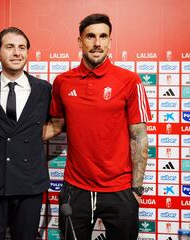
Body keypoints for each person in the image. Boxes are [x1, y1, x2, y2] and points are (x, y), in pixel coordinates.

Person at [43, 14, 151, 240]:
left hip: (120, 190)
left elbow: (139, 136)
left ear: (110, 41)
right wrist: (13, 139)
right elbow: (55, 126)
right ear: (80, 41)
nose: (97, 43)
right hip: (75, 189)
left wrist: (137, 190)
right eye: (90, 36)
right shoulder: (62, 81)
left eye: (103, 36)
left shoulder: (130, 81)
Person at [0, 27, 52, 240]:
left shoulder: (44, 90)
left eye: (22, 47)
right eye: (10, 47)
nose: (17, 53)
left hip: (30, 184)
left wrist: (33, 136)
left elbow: (61, 123)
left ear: (28, 53)